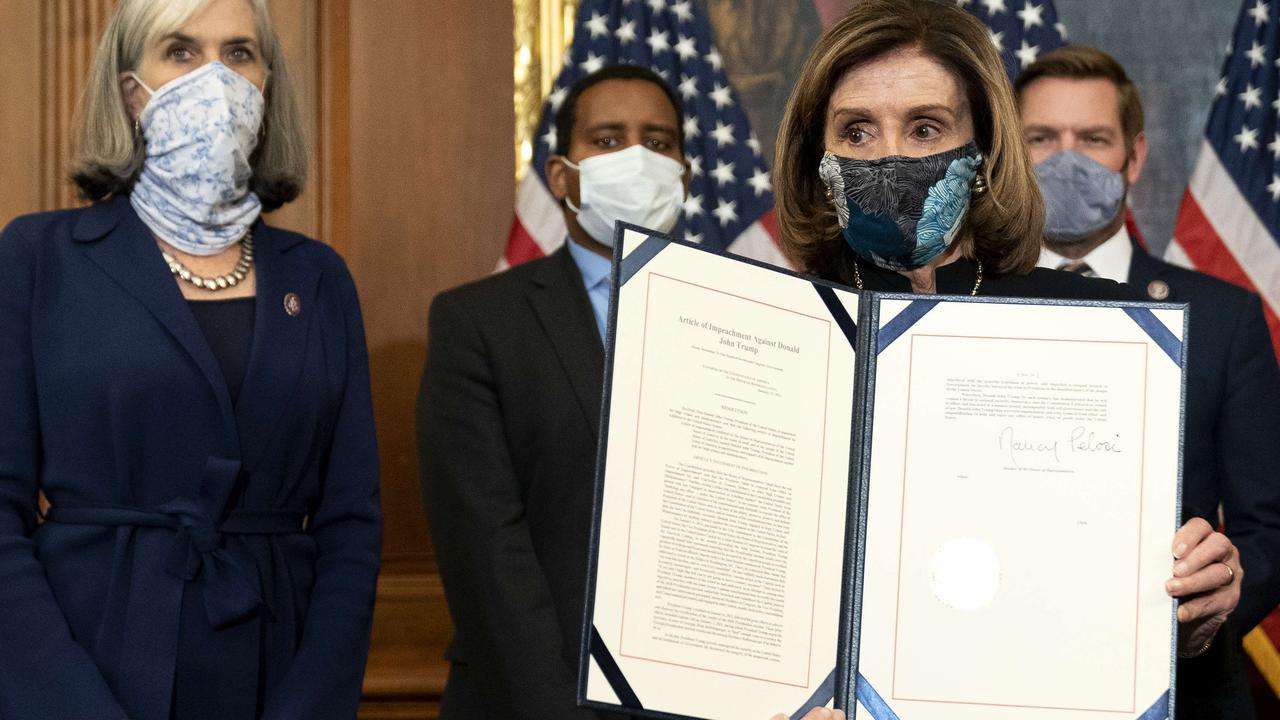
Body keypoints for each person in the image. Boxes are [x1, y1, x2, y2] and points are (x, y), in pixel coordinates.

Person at [768, 3, 1240, 717]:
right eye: (856, 130)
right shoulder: (774, 334)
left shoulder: (1093, 326)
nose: (891, 155)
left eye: (926, 126)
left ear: (984, 151)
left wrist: (1196, 601)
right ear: (818, 157)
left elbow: (1147, 591)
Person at [0, 1, 382, 718]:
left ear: (267, 86)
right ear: (128, 90)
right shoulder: (37, 258)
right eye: (180, 51)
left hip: (275, 667)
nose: (216, 78)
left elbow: (352, 528)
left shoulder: (318, 278)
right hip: (87, 665)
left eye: (239, 54)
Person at [1016, 44, 1280, 718]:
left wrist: (1203, 612)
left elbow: (1269, 527)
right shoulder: (956, 305)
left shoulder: (1224, 316)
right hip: (997, 681)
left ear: (1133, 157)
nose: (1065, 159)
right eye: (1040, 138)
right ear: (1005, 156)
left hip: (1183, 692)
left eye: (1092, 139)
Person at [417, 65, 687, 719]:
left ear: (684, 172)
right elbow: (486, 547)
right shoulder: (478, 323)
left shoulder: (755, 324)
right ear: (562, 176)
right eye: (607, 139)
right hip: (530, 701)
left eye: (657, 143)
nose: (635, 160)